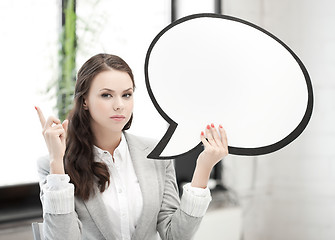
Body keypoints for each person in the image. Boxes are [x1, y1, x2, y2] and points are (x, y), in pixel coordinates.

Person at [35, 53, 228, 240]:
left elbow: (175, 235)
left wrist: (204, 167)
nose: (119, 105)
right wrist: (57, 164)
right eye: (106, 95)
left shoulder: (156, 155)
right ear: (84, 100)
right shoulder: (53, 165)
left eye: (126, 95)